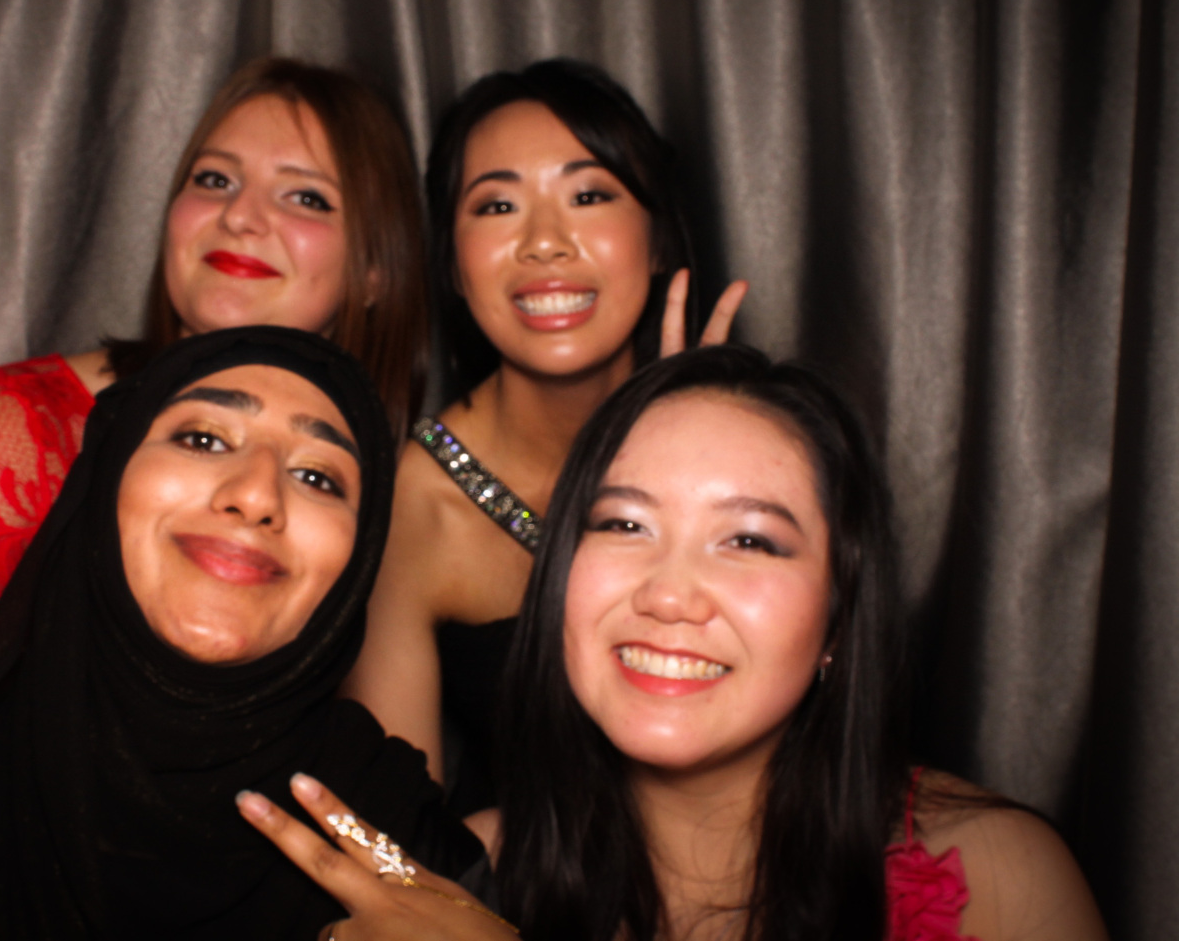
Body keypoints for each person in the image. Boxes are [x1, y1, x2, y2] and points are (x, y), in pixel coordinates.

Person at [247, 345, 1107, 941]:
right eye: (624, 524)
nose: (667, 593)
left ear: (840, 620)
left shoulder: (1001, 875)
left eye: (749, 540)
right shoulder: (462, 873)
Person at [0, 327, 482, 940]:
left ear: (359, 561)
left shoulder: (418, 871)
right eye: (203, 438)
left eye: (319, 477)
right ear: (102, 484)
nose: (256, 494)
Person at [0, 57, 427, 745]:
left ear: (376, 270)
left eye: (305, 197)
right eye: (214, 180)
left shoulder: (401, 485)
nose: (240, 217)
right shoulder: (17, 427)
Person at [345, 59, 745, 816]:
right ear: (452, 264)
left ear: (658, 240)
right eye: (497, 206)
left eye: (589, 195)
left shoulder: (758, 448)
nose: (544, 242)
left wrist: (702, 442)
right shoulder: (412, 505)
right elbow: (396, 839)